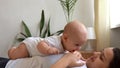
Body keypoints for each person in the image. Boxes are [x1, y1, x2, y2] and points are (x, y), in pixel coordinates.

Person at [8, 20, 87, 59]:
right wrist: (48, 49)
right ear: (65, 38)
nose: (79, 48)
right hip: (30, 46)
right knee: (16, 56)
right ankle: (12, 50)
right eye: (77, 44)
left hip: (33, 53)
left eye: (80, 45)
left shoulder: (67, 46)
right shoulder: (56, 40)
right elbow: (40, 44)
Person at [0, 47, 120, 68]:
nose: (95, 54)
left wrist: (67, 58)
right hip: (13, 62)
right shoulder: (84, 63)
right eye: (100, 51)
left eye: (101, 57)